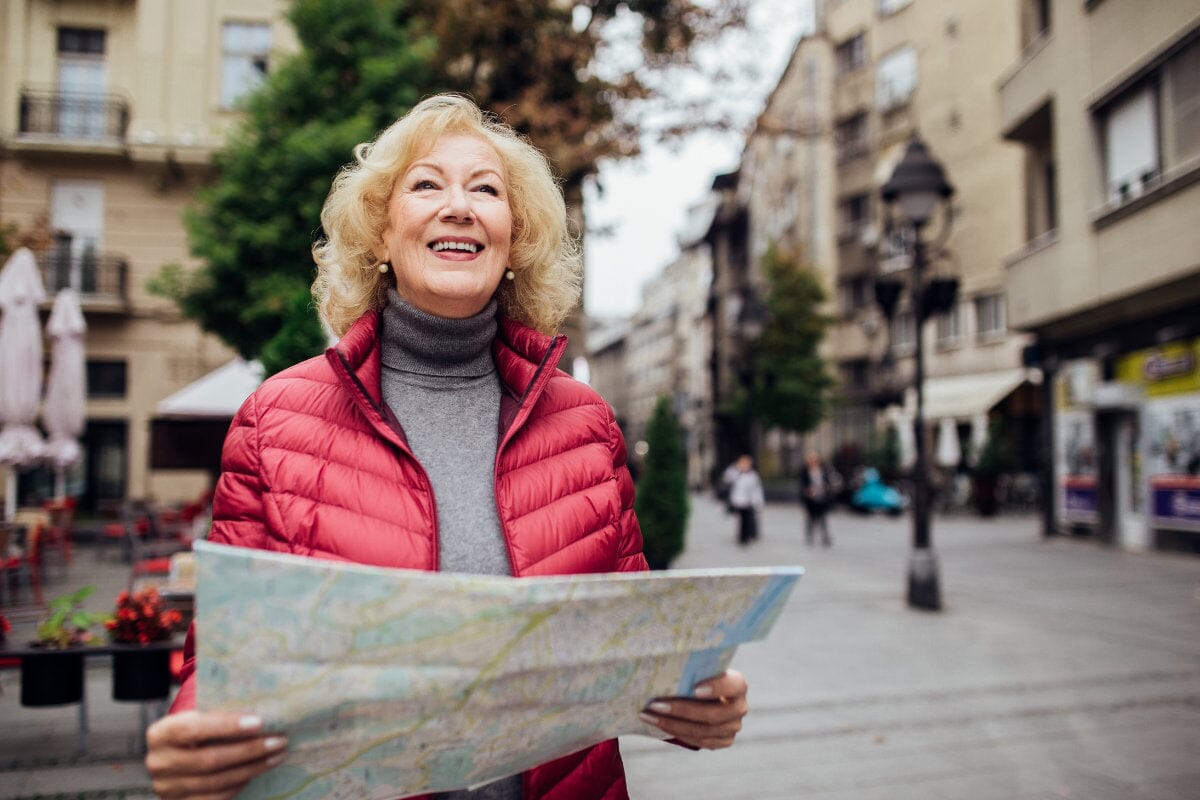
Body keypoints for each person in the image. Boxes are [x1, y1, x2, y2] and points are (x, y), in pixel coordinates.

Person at [143, 94, 749, 800]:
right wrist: (193, 737)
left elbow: (635, 648)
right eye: (427, 184)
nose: (458, 206)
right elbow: (223, 652)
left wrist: (702, 702)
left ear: (514, 240)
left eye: (485, 190)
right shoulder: (275, 418)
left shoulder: (586, 423)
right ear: (379, 234)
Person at [726, 454, 764, 545]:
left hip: (749, 501)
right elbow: (727, 477)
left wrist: (758, 501)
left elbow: (757, 490)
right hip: (738, 501)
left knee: (747, 519)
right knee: (741, 520)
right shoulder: (735, 473)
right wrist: (736, 467)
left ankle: (747, 536)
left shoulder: (752, 475)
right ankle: (741, 537)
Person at [799, 449, 834, 547]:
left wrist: (825, 488)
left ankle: (825, 537)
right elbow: (802, 485)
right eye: (811, 459)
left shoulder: (823, 470)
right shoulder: (805, 471)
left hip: (822, 498)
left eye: (814, 459)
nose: (813, 461)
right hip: (810, 499)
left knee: (823, 519)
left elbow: (828, 482)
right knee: (810, 519)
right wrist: (807, 491)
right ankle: (810, 536)